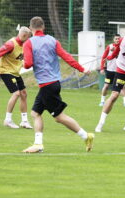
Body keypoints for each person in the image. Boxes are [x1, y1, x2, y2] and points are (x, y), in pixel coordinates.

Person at [22, 16, 94, 153]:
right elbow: (66, 57)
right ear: (43, 27)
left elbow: (28, 64)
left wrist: (23, 61)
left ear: (31, 29)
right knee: (35, 113)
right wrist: (82, 69)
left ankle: (86, 136)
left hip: (47, 85)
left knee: (59, 117)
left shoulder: (29, 43)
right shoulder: (52, 40)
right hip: (53, 83)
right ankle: (38, 144)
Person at [0, 26, 33, 129]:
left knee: (23, 94)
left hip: (15, 72)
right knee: (16, 93)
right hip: (5, 71)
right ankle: (8, 120)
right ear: (23, 35)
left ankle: (24, 121)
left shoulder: (25, 44)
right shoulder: (10, 44)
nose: (29, 39)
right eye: (28, 37)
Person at [99, 34, 125, 108]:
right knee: (106, 86)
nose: (117, 40)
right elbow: (104, 57)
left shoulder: (123, 47)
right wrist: (102, 68)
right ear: (113, 39)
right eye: (116, 39)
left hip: (119, 71)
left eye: (118, 39)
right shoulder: (109, 47)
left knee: (122, 86)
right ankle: (102, 101)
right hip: (110, 71)